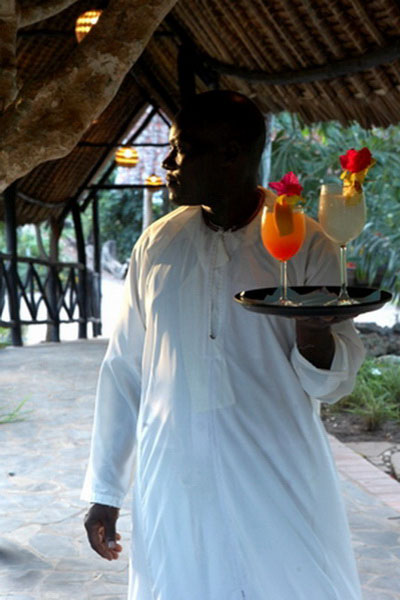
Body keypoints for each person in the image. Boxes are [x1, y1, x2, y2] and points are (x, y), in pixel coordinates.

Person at [82, 90, 365, 600]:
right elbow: (124, 369)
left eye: (181, 149)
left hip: (275, 468)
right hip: (174, 471)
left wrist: (314, 332)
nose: (167, 164)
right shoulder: (157, 245)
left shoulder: (306, 242)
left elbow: (332, 384)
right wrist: (106, 490)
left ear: (231, 154)